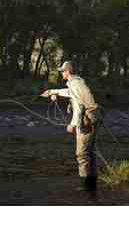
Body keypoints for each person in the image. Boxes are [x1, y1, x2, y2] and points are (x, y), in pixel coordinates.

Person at [41, 61, 103, 192]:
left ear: (68, 71)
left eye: (62, 71)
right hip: (94, 118)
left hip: (86, 122)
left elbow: (79, 106)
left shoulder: (75, 84)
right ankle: (92, 185)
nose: (61, 73)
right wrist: (53, 92)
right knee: (89, 153)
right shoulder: (77, 82)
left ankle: (86, 186)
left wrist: (73, 124)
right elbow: (70, 93)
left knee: (81, 154)